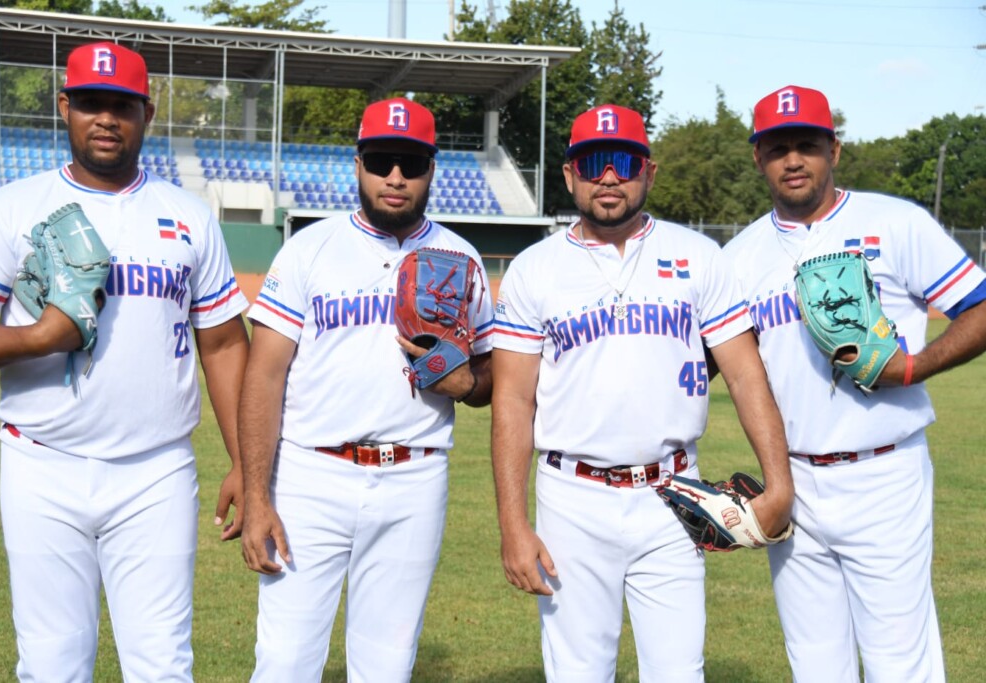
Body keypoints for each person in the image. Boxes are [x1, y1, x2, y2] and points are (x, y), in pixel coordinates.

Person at [0, 41, 249, 681]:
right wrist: (38, 338)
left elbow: (226, 344)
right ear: (65, 106)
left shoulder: (187, 217)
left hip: (158, 472)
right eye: (91, 102)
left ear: (146, 114)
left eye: (121, 105)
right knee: (51, 665)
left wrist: (243, 463)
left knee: (163, 667)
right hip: (42, 464)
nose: (106, 118)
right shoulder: (13, 208)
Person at [490, 104, 794, 682]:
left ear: (648, 173)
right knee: (577, 673)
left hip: (672, 495)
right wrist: (513, 523)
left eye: (624, 163)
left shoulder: (699, 256)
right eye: (594, 162)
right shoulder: (535, 270)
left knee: (679, 672)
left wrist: (777, 482)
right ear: (570, 175)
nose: (609, 177)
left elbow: (746, 371)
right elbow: (512, 401)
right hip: (571, 498)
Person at [724, 84, 986, 683]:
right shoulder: (739, 258)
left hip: (884, 473)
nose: (794, 160)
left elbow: (979, 306)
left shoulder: (894, 222)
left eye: (808, 145)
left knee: (900, 662)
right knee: (816, 665)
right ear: (758, 157)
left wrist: (915, 366)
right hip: (793, 481)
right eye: (778, 147)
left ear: (834, 149)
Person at [238, 97, 494, 682]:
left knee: (386, 665)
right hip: (311, 475)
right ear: (358, 164)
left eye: (411, 163)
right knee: (283, 662)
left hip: (415, 476)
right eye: (382, 160)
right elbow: (263, 375)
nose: (396, 177)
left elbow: (489, 377)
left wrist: (465, 383)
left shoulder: (462, 256)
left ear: (433, 168)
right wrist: (258, 496)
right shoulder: (310, 249)